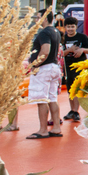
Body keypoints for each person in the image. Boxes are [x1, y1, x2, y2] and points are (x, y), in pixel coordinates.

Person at [25, 11, 63, 140]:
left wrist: (35, 64)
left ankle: (43, 130)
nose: (36, 20)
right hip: (54, 67)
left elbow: (45, 51)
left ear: (45, 19)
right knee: (52, 98)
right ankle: (56, 127)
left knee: (41, 99)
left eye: (38, 17)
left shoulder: (44, 33)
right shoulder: (56, 32)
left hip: (44, 68)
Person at [60, 16, 88, 122]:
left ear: (76, 27)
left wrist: (82, 50)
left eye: (72, 26)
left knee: (77, 88)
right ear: (65, 27)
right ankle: (72, 110)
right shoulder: (63, 38)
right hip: (67, 67)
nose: (70, 29)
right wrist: (69, 50)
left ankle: (75, 110)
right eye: (68, 27)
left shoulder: (82, 37)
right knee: (70, 89)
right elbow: (60, 54)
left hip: (79, 67)